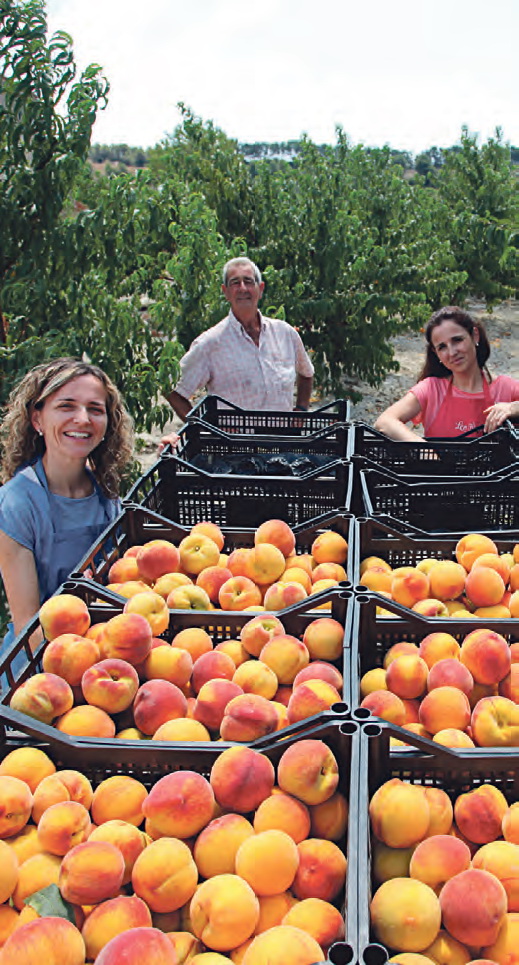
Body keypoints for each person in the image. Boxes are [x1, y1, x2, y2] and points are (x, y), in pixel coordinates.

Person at [0, 358, 134, 645]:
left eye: (95, 409)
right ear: (37, 419)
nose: (83, 419)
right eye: (66, 406)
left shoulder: (105, 492)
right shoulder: (17, 504)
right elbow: (29, 627)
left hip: (109, 645)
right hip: (48, 662)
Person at [166, 257, 315, 419]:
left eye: (249, 281)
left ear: (261, 289)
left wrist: (301, 409)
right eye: (235, 283)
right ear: (226, 291)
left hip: (281, 441)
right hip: (232, 444)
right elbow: (174, 391)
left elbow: (307, 372)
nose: (243, 288)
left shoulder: (285, 333)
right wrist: (203, 430)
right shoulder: (210, 343)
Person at [374, 306, 519, 440]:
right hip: (439, 468)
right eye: (442, 347)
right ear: (436, 353)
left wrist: (512, 408)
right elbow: (385, 421)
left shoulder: (506, 388)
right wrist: (428, 453)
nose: (452, 352)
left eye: (457, 340)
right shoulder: (432, 389)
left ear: (474, 335)